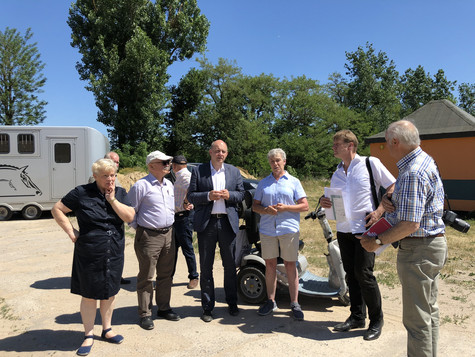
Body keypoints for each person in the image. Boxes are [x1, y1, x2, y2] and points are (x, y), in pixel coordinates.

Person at [360, 120, 447, 356]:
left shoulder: (412, 172)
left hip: (418, 250)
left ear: (396, 142)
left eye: (387, 142)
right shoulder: (424, 160)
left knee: (417, 321)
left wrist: (376, 241)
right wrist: (393, 201)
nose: (386, 147)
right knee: (428, 314)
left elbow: (410, 224)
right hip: (431, 246)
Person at [51, 158, 135, 356]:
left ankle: (107, 329)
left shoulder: (121, 193)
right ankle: (88, 334)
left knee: (110, 292)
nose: (110, 179)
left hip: (113, 250)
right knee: (89, 295)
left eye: (113, 175)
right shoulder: (81, 192)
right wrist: (71, 232)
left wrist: (112, 199)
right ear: (95, 176)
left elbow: (130, 217)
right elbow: (57, 209)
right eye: (105, 176)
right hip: (89, 251)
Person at [320, 129, 395, 341]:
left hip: (366, 229)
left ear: (350, 145)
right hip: (344, 229)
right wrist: (325, 203)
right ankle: (357, 316)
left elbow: (392, 184)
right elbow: (334, 201)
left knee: (364, 273)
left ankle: (376, 321)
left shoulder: (370, 163)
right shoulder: (336, 173)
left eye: (337, 144)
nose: (333, 147)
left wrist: (381, 209)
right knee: (351, 274)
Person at [187, 140, 245, 322]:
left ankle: (232, 302)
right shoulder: (198, 170)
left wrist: (230, 195)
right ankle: (207, 307)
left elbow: (241, 194)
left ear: (226, 154)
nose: (220, 154)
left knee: (229, 266)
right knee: (206, 267)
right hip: (208, 224)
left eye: (224, 151)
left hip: (227, 223)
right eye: (217, 151)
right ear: (210, 152)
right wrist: (208, 196)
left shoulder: (234, 171)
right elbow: (191, 196)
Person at [252, 148, 309, 320]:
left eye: (278, 160)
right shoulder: (263, 183)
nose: (275, 163)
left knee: (290, 265)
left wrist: (286, 208)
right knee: (269, 265)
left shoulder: (294, 181)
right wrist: (265, 210)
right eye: (272, 161)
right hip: (268, 229)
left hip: (288, 229)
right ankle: (271, 301)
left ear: (284, 161)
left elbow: (304, 206)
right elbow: (255, 206)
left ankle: (294, 303)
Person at [127, 150, 180, 330]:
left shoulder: (168, 185)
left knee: (166, 274)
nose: (167, 164)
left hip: (169, 234)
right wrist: (141, 230)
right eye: (163, 162)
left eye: (168, 161)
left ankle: (164, 308)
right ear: (151, 166)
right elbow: (130, 213)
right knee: (147, 277)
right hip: (149, 236)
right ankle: (145, 313)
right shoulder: (140, 186)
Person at [88, 152, 129, 284]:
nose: (116, 164)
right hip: (103, 221)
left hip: (117, 219)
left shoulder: (117, 177)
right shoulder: (94, 178)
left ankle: (117, 276)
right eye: (114, 161)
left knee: (118, 251)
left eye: (118, 162)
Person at [171, 155, 199, 289]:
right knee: (172, 250)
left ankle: (193, 276)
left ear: (174, 165)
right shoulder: (181, 175)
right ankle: (169, 277)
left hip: (184, 217)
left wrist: (187, 201)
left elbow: (192, 188)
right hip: (178, 217)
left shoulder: (184, 176)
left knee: (186, 248)